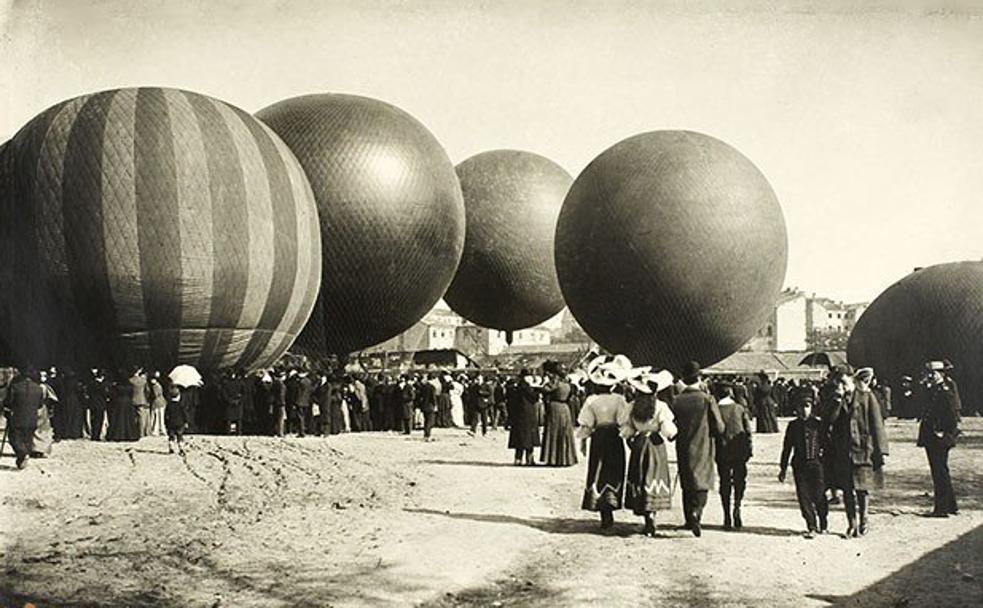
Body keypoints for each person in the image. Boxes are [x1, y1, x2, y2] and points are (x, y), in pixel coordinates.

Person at [824, 367, 889, 538]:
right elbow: (829, 421)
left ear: (852, 381)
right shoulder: (838, 399)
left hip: (863, 449)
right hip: (843, 451)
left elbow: (877, 423)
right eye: (840, 383)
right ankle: (851, 524)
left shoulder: (866, 396)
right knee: (847, 489)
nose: (843, 386)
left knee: (862, 488)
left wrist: (881, 449)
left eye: (845, 382)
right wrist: (837, 401)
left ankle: (864, 521)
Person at [621, 368, 677, 536]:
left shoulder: (632, 406)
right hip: (655, 444)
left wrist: (630, 439)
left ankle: (646, 516)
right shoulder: (661, 406)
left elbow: (626, 429)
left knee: (640, 477)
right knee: (653, 477)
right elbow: (668, 429)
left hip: (639, 444)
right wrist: (673, 436)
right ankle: (652, 514)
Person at [671, 361, 724, 537]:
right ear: (699, 378)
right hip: (703, 444)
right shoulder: (707, 399)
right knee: (702, 482)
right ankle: (697, 512)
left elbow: (672, 425)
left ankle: (688, 519)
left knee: (687, 481)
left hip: (683, 445)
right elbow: (719, 426)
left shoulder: (677, 401)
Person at [779, 394, 829, 538]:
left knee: (819, 494)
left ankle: (823, 521)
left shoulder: (818, 425)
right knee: (803, 496)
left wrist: (827, 464)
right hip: (799, 466)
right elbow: (787, 447)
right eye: (801, 407)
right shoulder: (793, 426)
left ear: (812, 408)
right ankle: (811, 525)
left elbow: (826, 445)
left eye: (807, 406)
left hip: (817, 465)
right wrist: (783, 468)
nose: (804, 410)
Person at [917, 361, 961, 517]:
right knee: (941, 471)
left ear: (942, 374)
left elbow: (953, 415)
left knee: (939, 472)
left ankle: (941, 509)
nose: (931, 376)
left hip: (939, 437)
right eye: (930, 374)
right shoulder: (935, 389)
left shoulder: (946, 391)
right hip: (932, 436)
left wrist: (945, 432)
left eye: (934, 374)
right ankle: (951, 506)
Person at [713, 382, 753, 530]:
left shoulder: (715, 409)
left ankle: (726, 515)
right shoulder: (739, 408)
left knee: (724, 483)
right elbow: (747, 430)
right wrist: (749, 449)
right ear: (730, 392)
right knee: (739, 481)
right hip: (739, 450)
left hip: (722, 450)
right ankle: (737, 506)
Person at [3, 368, 44, 469]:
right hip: (32, 418)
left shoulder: (15, 387)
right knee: (27, 438)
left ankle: (22, 454)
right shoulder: (38, 389)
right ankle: (22, 460)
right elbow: (40, 405)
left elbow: (8, 403)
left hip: (17, 417)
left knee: (14, 437)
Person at [540, 361, 578, 466]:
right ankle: (567, 458)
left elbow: (545, 390)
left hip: (555, 407)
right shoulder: (568, 384)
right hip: (565, 408)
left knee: (554, 432)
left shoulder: (555, 383)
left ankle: (553, 458)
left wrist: (545, 381)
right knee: (565, 432)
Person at [507, 372, 541, 465]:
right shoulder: (527, 388)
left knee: (519, 439)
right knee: (529, 438)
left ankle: (518, 459)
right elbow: (534, 398)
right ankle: (529, 459)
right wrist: (537, 389)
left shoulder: (516, 388)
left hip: (518, 415)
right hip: (528, 415)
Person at [86, 369, 110, 441]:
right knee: (99, 420)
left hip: (92, 403)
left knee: (93, 420)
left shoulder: (91, 383)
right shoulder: (103, 385)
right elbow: (105, 394)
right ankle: (97, 435)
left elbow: (88, 392)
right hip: (101, 404)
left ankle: (93, 435)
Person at [165, 383, 188, 455]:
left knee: (171, 436)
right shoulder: (181, 405)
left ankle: (171, 447)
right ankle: (181, 448)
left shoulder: (169, 405)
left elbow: (166, 415)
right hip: (180, 423)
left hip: (171, 423)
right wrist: (186, 422)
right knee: (180, 436)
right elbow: (184, 414)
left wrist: (166, 423)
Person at [129, 367, 151, 437]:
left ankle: (133, 432)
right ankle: (141, 433)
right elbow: (147, 391)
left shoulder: (130, 380)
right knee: (142, 418)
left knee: (133, 417)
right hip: (141, 400)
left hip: (132, 400)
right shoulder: (143, 380)